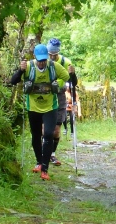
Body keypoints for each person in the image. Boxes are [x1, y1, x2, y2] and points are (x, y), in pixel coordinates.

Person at [11, 44, 77, 180]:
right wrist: (20, 71)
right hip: (33, 107)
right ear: (35, 57)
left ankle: (45, 169)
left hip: (50, 107)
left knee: (48, 134)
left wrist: (71, 74)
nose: (42, 63)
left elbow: (71, 82)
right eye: (39, 60)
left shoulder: (54, 67)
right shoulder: (28, 66)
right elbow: (13, 81)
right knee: (36, 135)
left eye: (44, 60)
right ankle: (39, 162)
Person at [46, 38, 76, 165]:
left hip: (60, 96)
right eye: (50, 54)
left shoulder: (65, 62)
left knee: (56, 130)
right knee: (45, 130)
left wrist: (72, 74)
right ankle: (44, 153)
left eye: (55, 54)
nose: (52, 57)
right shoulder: (43, 60)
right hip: (46, 96)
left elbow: (73, 82)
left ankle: (52, 154)